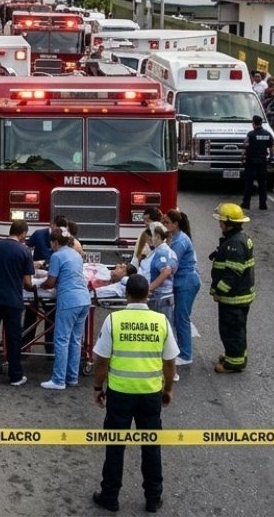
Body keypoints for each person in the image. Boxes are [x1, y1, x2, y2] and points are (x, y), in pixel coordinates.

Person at [90, 274, 179, 514]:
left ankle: (110, 496)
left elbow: (101, 361)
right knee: (151, 447)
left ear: (126, 295)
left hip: (119, 393)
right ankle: (153, 498)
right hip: (150, 394)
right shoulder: (160, 321)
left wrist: (98, 388)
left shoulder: (114, 320)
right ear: (148, 294)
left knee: (115, 446)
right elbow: (170, 362)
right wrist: (168, 388)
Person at [0, 219, 34, 386]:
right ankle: (16, 375)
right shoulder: (24, 251)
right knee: (13, 338)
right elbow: (28, 282)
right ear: (23, 233)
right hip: (12, 301)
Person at [40, 226, 91, 390]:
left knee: (61, 340)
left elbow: (50, 282)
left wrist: (36, 285)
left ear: (55, 242)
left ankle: (58, 379)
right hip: (84, 299)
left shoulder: (57, 256)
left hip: (69, 300)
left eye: (51, 243)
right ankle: (72, 377)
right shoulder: (76, 254)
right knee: (75, 340)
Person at [209, 203, 255, 374]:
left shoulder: (234, 244)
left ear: (227, 223)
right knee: (237, 328)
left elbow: (232, 274)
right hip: (240, 295)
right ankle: (235, 356)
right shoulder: (240, 238)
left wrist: (218, 291)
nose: (219, 224)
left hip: (233, 297)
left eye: (221, 221)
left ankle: (233, 363)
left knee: (231, 329)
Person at [163, 209, 200, 365]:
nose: (164, 225)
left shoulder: (180, 241)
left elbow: (171, 264)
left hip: (186, 282)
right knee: (179, 317)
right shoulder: (174, 238)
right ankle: (181, 349)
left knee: (181, 318)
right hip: (183, 281)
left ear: (175, 224)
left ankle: (185, 355)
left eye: (166, 223)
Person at [141, 223, 177, 330]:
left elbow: (166, 271)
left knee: (161, 331)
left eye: (151, 236)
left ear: (157, 236)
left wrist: (150, 288)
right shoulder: (159, 250)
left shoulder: (162, 252)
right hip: (159, 298)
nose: (149, 240)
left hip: (160, 299)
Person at [240, 114, 274, 210]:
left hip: (251, 163)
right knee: (262, 185)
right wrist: (272, 158)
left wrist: (242, 159)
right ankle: (263, 204)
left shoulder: (250, 134)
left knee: (249, 185)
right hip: (262, 163)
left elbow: (245, 147)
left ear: (253, 123)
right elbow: (273, 147)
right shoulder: (268, 134)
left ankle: (246, 203)